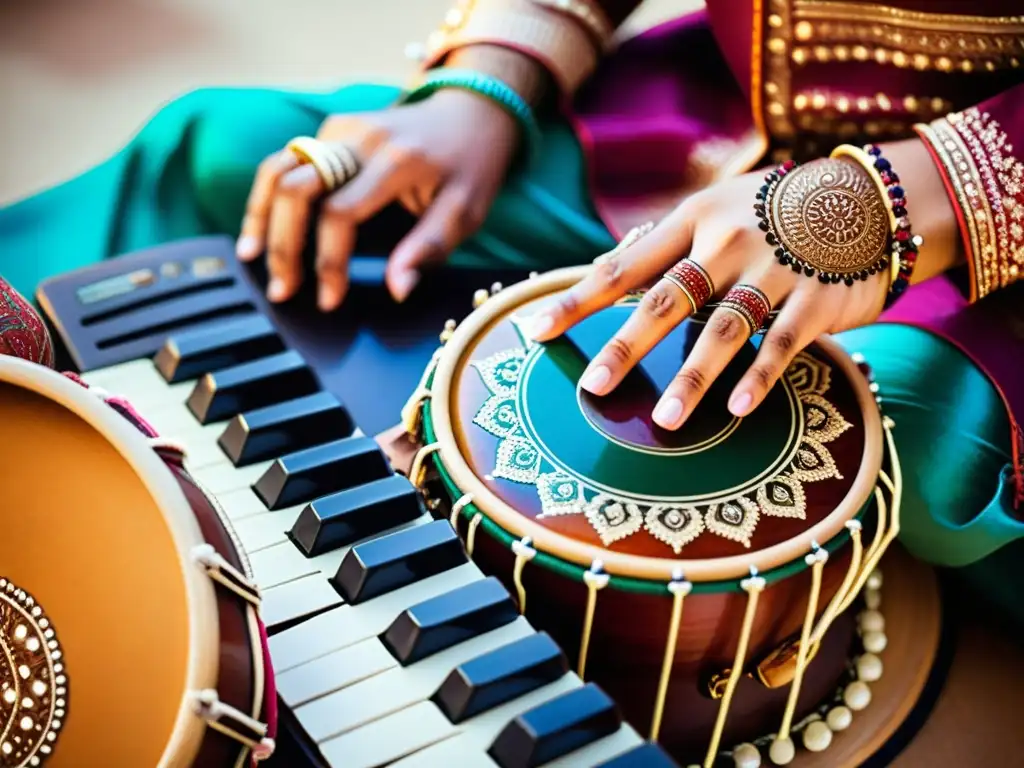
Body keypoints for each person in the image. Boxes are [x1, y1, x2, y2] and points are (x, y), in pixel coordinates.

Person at [0, 0, 1021, 626]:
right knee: (241, 150)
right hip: (709, 134)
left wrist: (892, 203)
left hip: (982, 251)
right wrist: (489, 87)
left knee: (906, 436)